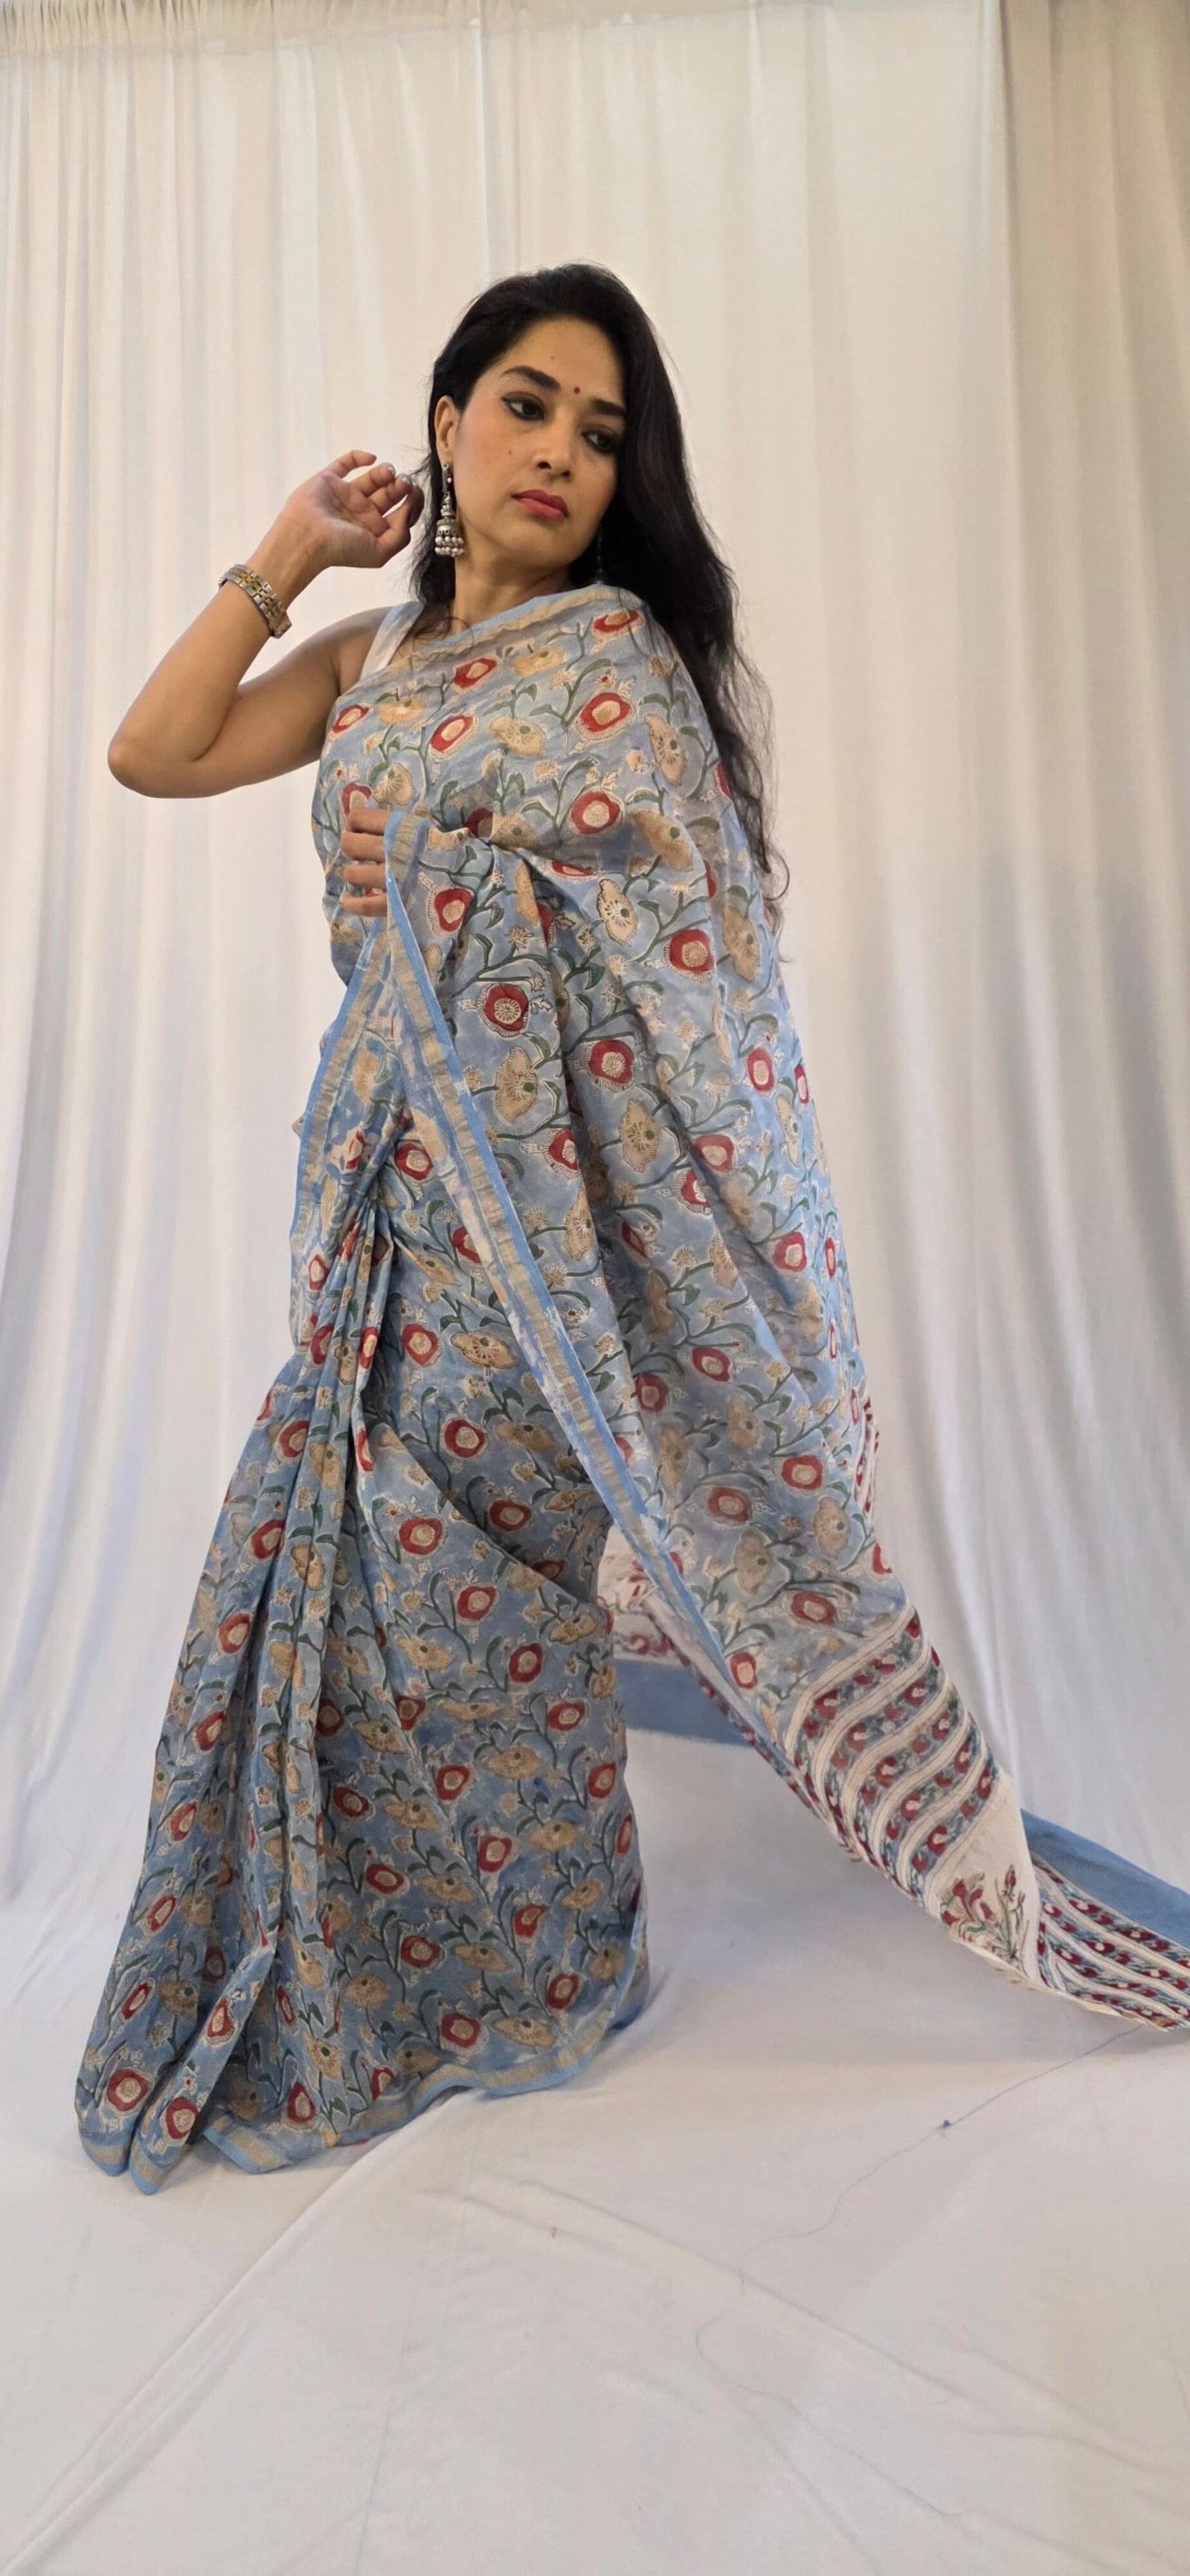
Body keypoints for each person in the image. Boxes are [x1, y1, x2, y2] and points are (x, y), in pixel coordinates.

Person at [76, 262, 1190, 2194]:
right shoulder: (371, 663)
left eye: (601, 433)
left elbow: (696, 973)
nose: (559, 454)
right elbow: (152, 751)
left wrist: (443, 871)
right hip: (374, 1202)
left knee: (477, 1607)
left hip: (543, 1248)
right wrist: (294, 547)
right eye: (524, 404)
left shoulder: (619, 675)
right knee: (362, 1601)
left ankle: (541, 1970)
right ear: (445, 422)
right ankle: (374, 1965)